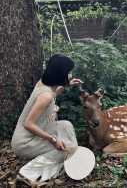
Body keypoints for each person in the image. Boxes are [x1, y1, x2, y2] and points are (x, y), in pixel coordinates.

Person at [11, 54, 83, 183]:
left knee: (66, 125)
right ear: (60, 74)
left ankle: (68, 157)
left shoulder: (44, 84)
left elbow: (53, 92)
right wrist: (53, 140)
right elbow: (28, 124)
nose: (71, 75)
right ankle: (26, 174)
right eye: (69, 73)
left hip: (35, 132)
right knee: (64, 149)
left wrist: (67, 84)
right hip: (24, 143)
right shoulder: (46, 96)